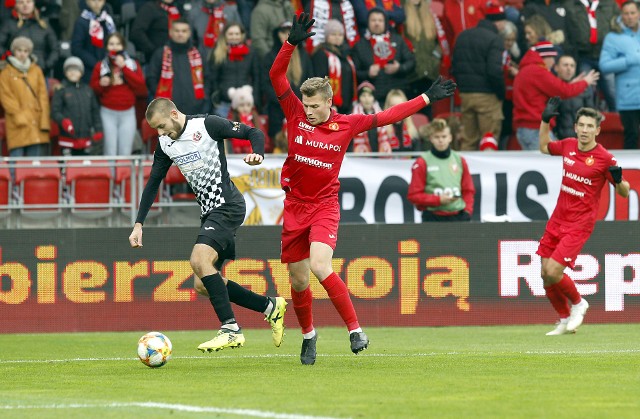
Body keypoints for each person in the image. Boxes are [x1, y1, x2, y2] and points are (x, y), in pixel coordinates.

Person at [269, 13, 456, 364]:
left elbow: (388, 116)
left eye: (314, 106)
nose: (307, 111)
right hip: (295, 205)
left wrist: (425, 100)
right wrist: (291, 42)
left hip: (324, 205)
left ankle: (355, 329)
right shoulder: (294, 113)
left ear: (329, 102)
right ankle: (309, 336)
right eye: (305, 105)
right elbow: (276, 75)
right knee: (297, 280)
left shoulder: (346, 124)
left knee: (321, 265)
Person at [129, 97, 287, 352]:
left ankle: (230, 328)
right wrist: (139, 223)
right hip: (209, 212)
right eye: (156, 129)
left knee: (198, 259)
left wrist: (258, 152)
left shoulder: (207, 125)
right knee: (202, 284)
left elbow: (252, 131)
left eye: (161, 126)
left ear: (173, 112)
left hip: (228, 206)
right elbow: (153, 182)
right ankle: (270, 306)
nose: (160, 133)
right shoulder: (165, 143)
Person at [538, 97, 630, 335]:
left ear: (598, 130)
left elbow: (624, 193)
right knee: (544, 274)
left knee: (554, 271)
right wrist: (545, 120)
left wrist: (619, 181)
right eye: (582, 125)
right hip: (557, 219)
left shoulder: (605, 159)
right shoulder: (568, 145)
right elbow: (544, 146)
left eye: (591, 126)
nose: (585, 130)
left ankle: (579, 303)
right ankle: (563, 318)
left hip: (579, 224)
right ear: (576, 127)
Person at [513, 41, 598, 150]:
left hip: (527, 128)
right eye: (552, 58)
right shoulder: (538, 71)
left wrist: (572, 84)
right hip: (536, 129)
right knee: (549, 164)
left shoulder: (526, 70)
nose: (553, 62)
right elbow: (563, 91)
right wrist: (585, 82)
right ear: (545, 57)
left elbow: (554, 90)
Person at [451, 2, 506, 150]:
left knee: (468, 140)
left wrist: (463, 90)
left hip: (466, 96)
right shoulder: (495, 39)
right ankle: (488, 173)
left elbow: (454, 67)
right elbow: (494, 72)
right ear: (499, 22)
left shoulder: (463, 36)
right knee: (489, 141)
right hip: (488, 97)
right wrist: (501, 94)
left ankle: (466, 172)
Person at [90, 32, 147, 156]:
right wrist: (101, 83)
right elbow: (93, 90)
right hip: (107, 113)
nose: (114, 47)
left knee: (125, 152)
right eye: (111, 44)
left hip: (128, 114)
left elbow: (141, 87)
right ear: (106, 47)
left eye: (118, 44)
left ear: (123, 46)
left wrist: (124, 68)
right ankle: (110, 176)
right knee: (109, 151)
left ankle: (123, 176)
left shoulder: (132, 65)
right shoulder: (101, 66)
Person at [407, 118, 475, 222]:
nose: (441, 140)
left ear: (450, 138)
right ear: (431, 139)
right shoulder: (422, 162)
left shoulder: (460, 160)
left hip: (458, 216)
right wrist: (438, 200)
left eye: (444, 136)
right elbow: (413, 195)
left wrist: (467, 211)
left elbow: (468, 190)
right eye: (437, 137)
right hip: (433, 217)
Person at [147, 18, 211, 115]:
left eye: (184, 31)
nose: (180, 34)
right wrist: (161, 98)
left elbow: (207, 77)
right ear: (171, 32)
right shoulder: (160, 53)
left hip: (196, 109)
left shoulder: (198, 54)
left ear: (189, 33)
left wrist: (203, 97)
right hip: (167, 111)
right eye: (177, 31)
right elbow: (151, 78)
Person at [0, 36, 50, 159]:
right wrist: (19, 115)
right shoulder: (6, 72)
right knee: (16, 162)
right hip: (17, 121)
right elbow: (6, 97)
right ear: (14, 51)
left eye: (26, 51)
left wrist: (44, 119)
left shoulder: (37, 70)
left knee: (33, 164)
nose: (22, 54)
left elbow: (43, 96)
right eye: (19, 50)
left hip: (36, 120)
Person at [599, 0, 640, 149]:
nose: (629, 17)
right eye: (626, 13)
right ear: (621, 15)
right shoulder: (613, 37)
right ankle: (628, 171)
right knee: (632, 135)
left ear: (639, 14)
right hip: (628, 98)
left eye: (632, 13)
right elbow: (604, 66)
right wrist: (629, 60)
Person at [51, 56, 103, 156]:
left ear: (81, 72)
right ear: (65, 72)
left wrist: (98, 130)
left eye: (76, 70)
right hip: (67, 138)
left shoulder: (88, 90)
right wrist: (63, 121)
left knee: (83, 169)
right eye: (69, 70)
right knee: (68, 169)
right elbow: (55, 111)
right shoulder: (61, 89)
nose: (73, 72)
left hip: (86, 138)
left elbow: (95, 112)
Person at [553, 54, 595, 140]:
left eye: (572, 66)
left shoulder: (583, 89)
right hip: (558, 138)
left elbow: (591, 113)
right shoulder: (552, 87)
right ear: (556, 68)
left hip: (580, 139)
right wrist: (570, 87)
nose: (569, 68)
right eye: (565, 65)